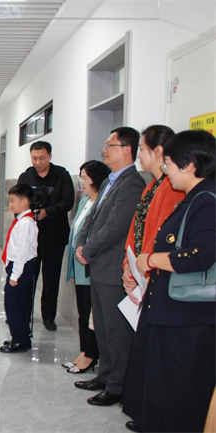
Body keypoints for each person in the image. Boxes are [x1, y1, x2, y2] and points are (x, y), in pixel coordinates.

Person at [123, 130, 215, 433]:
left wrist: (151, 260)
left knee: (179, 392)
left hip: (188, 317)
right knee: (162, 386)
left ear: (190, 165)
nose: (166, 169)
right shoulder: (193, 197)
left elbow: (199, 256)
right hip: (170, 311)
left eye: (171, 163)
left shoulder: (207, 200)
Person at [74, 127, 146, 406]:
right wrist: (82, 243)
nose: (104, 149)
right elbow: (92, 218)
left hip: (113, 267)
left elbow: (117, 226)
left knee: (116, 331)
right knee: (102, 327)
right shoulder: (108, 181)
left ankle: (117, 386)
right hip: (98, 265)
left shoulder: (132, 183)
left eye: (110, 145)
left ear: (127, 149)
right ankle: (104, 376)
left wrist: (89, 249)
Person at [121, 125, 185, 304]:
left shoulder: (172, 188)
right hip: (141, 268)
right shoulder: (150, 188)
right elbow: (136, 229)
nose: (138, 156)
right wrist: (128, 264)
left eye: (141, 149)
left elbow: (161, 234)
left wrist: (143, 267)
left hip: (155, 271)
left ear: (158, 151)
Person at [18, 141, 75, 331]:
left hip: (55, 236)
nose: (37, 162)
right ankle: (24, 314)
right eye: (34, 158)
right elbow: (18, 202)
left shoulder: (62, 175)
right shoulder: (26, 176)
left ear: (50, 156)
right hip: (30, 236)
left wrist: (48, 212)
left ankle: (49, 317)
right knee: (28, 277)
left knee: (51, 279)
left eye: (42, 158)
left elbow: (68, 201)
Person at [64, 160, 110, 373]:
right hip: (78, 266)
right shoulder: (84, 202)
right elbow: (77, 234)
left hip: (91, 267)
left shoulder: (103, 203)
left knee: (92, 314)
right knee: (83, 312)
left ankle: (91, 355)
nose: (81, 182)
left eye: (84, 178)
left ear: (95, 180)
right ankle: (84, 351)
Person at [0, 183, 38, 353]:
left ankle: (20, 340)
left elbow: (22, 252)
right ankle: (21, 337)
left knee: (14, 304)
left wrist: (15, 275)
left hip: (21, 267)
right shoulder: (22, 221)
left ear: (24, 202)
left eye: (13, 201)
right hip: (19, 266)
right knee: (18, 303)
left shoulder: (25, 223)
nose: (10, 204)